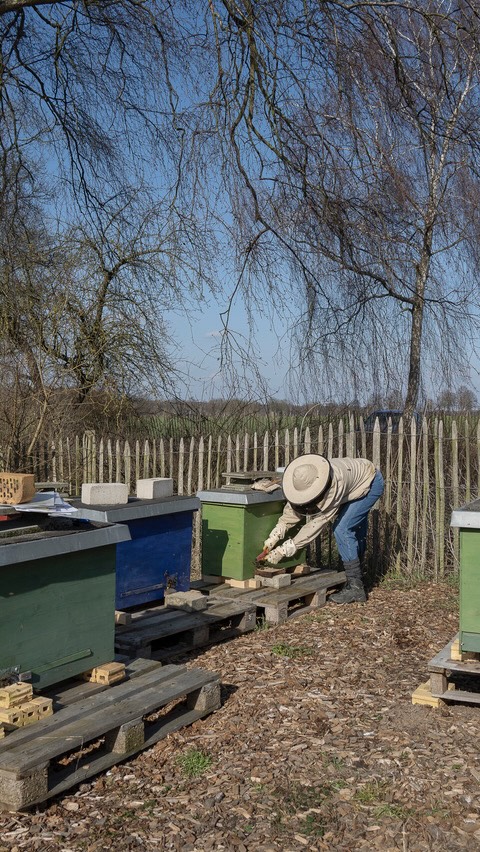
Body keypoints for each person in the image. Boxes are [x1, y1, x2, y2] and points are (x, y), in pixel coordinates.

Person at [256, 454, 384, 604]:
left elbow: (316, 524)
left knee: (343, 529)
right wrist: (275, 536)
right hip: (354, 478)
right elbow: (294, 509)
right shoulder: (307, 478)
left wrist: (286, 549)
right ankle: (358, 579)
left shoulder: (334, 486)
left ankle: (355, 587)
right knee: (353, 530)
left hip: (369, 483)